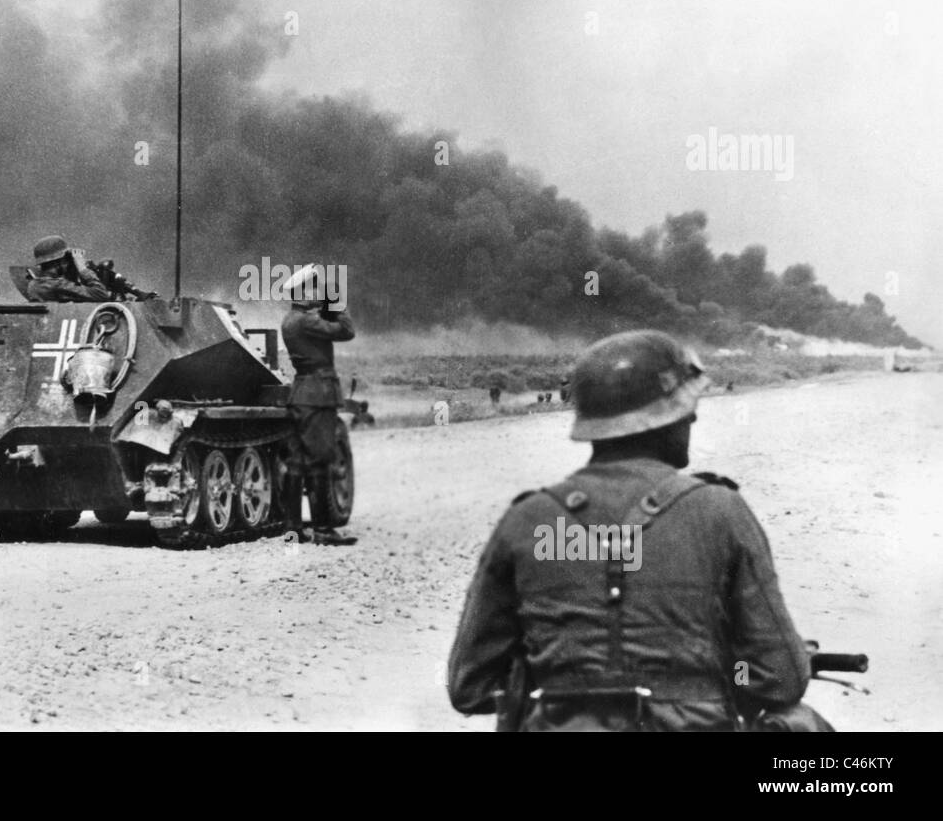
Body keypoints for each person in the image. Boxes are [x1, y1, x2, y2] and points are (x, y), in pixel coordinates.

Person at [447, 329, 817, 731]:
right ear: (667, 418)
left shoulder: (528, 520)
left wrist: (564, 678)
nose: (692, 416)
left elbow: (470, 685)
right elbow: (782, 679)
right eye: (684, 407)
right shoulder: (719, 510)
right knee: (799, 723)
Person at [278, 264, 357, 546]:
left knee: (297, 463)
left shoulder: (291, 320)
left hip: (301, 393)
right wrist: (335, 302)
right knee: (321, 461)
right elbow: (347, 331)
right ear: (303, 292)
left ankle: (292, 528)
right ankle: (323, 530)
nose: (317, 293)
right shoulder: (306, 322)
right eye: (313, 288)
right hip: (318, 395)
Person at [22, 235, 157, 303]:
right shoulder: (52, 284)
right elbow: (99, 294)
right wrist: (83, 270)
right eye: (66, 260)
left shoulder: (41, 282)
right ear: (59, 262)